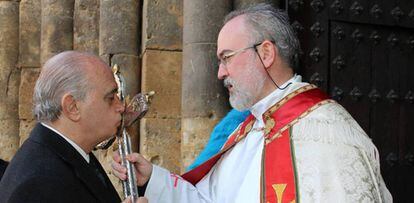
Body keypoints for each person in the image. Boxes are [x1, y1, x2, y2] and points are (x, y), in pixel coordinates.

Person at [112, 4, 392, 202]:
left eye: (227, 57)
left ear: (266, 53)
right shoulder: (247, 131)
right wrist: (153, 179)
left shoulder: (327, 134)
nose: (220, 72)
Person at [0, 51, 125, 202]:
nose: (121, 107)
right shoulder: (40, 183)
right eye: (111, 98)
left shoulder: (66, 152)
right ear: (72, 107)